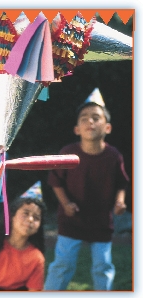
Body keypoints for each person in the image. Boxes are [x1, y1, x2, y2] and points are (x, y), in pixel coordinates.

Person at [44, 88, 130, 291]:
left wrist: (120, 201)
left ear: (107, 127)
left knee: (103, 266)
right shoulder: (67, 153)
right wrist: (65, 204)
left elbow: (121, 183)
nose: (90, 121)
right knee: (62, 264)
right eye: (84, 118)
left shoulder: (114, 156)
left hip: (101, 221)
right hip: (71, 220)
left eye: (96, 117)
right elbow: (55, 181)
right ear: (76, 129)